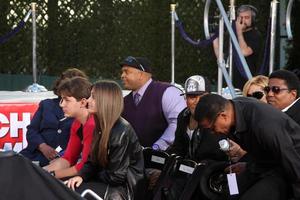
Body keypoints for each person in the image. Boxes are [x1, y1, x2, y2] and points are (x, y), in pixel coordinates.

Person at [194, 94, 300, 199]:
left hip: (288, 167)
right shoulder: (234, 111)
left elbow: (292, 161)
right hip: (263, 164)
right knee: (230, 194)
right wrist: (248, 165)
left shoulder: (264, 125)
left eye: (212, 127)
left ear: (223, 116)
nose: (213, 132)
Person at [65, 80, 145, 199]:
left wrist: (92, 175)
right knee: (69, 187)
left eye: (94, 97)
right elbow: (92, 162)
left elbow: (116, 177)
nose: (88, 100)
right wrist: (81, 176)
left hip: (124, 190)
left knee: (74, 192)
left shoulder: (121, 131)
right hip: (109, 183)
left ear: (105, 100)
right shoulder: (101, 127)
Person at [20, 68, 87, 167]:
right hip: (36, 155)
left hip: (66, 160)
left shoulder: (83, 111)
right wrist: (42, 146)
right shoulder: (46, 104)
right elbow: (32, 130)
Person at [121, 56, 186, 150]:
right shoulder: (124, 101)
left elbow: (178, 123)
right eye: (122, 72)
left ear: (141, 74)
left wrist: (157, 147)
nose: (122, 75)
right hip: (133, 161)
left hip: (162, 160)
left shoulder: (167, 92)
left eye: (126, 71)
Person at [44, 77, 94, 179]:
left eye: (67, 100)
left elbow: (84, 167)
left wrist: (49, 175)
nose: (61, 104)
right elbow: (68, 159)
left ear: (83, 103)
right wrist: (41, 171)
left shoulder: (92, 124)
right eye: (61, 99)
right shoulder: (77, 123)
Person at [167, 75, 226, 162]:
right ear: (185, 98)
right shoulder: (183, 116)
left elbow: (214, 155)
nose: (197, 101)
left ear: (210, 97)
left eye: (202, 97)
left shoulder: (217, 118)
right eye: (192, 97)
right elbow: (178, 148)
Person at [213, 5, 262, 90]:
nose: (243, 21)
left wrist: (239, 31)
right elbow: (222, 57)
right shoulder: (231, 34)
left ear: (252, 19)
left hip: (246, 82)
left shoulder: (255, 35)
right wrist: (214, 39)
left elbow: (244, 52)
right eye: (240, 17)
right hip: (228, 81)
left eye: (246, 17)